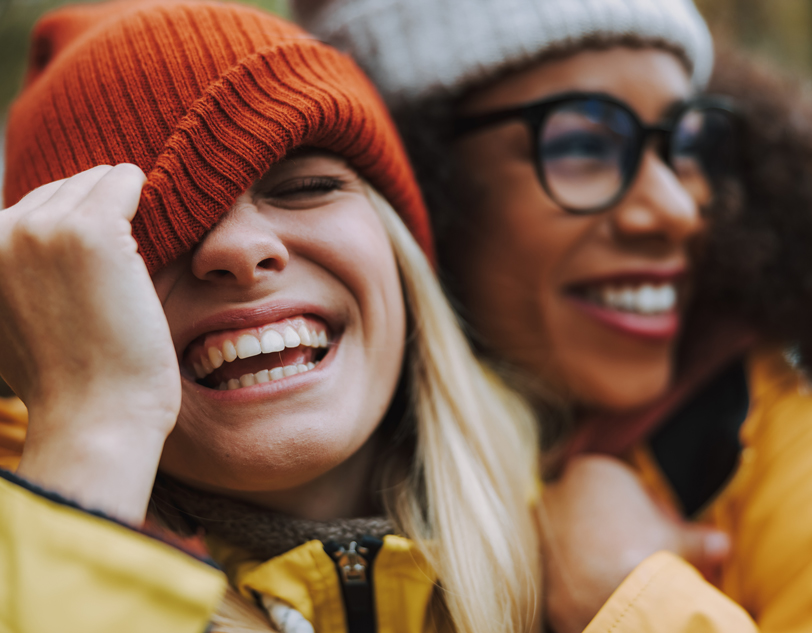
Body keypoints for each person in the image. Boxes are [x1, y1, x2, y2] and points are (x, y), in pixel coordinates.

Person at [295, 0, 812, 631]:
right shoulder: (269, 472)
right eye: (582, 143)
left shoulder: (763, 433)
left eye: (684, 142)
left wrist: (627, 595)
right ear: (417, 175)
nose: (676, 208)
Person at [0, 2, 541, 632]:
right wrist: (93, 428)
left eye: (305, 185)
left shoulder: (610, 566)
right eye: (145, 227)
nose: (240, 248)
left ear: (400, 248)